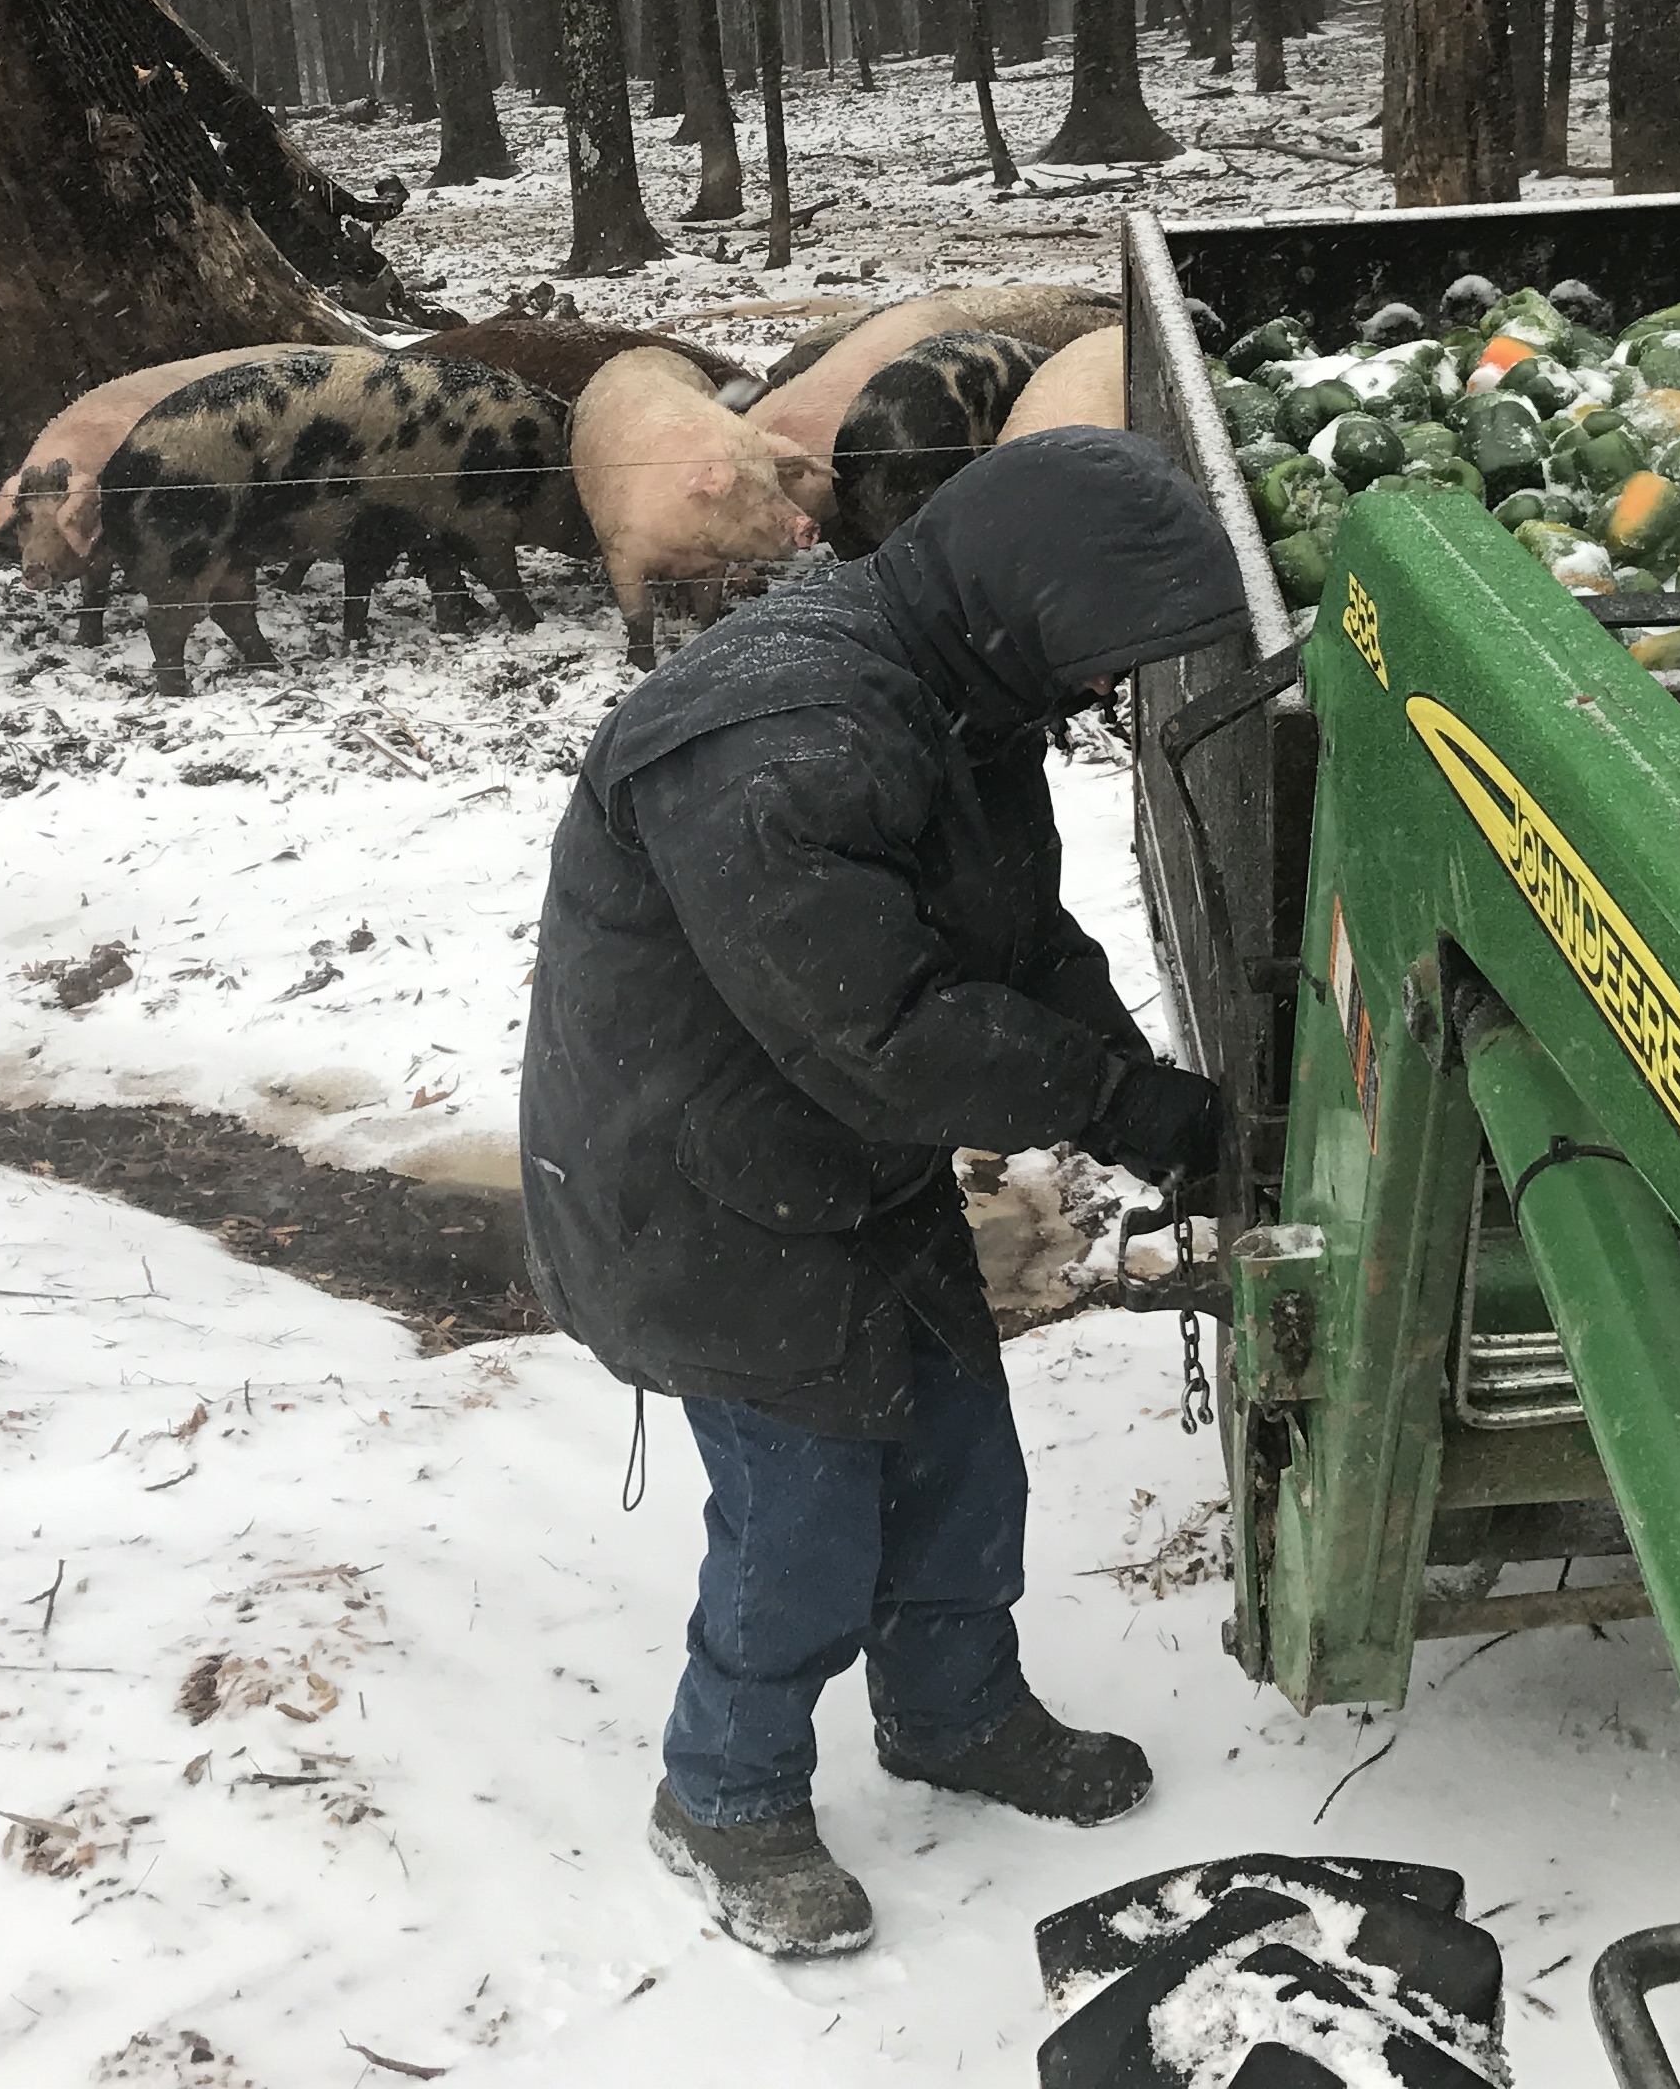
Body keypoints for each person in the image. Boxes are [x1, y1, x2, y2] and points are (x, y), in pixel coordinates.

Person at [518, 426, 1248, 1960]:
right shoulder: (783, 742)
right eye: (1095, 665)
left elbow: (1014, 942)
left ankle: (954, 1711)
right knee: (803, 1529)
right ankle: (724, 1792)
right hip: (701, 1190)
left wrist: (1150, 1101)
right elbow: (889, 1031)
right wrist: (1116, 1104)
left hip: (844, 1158)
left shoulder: (959, 697)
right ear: (1025, 606)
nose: (1102, 700)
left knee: (962, 1464)